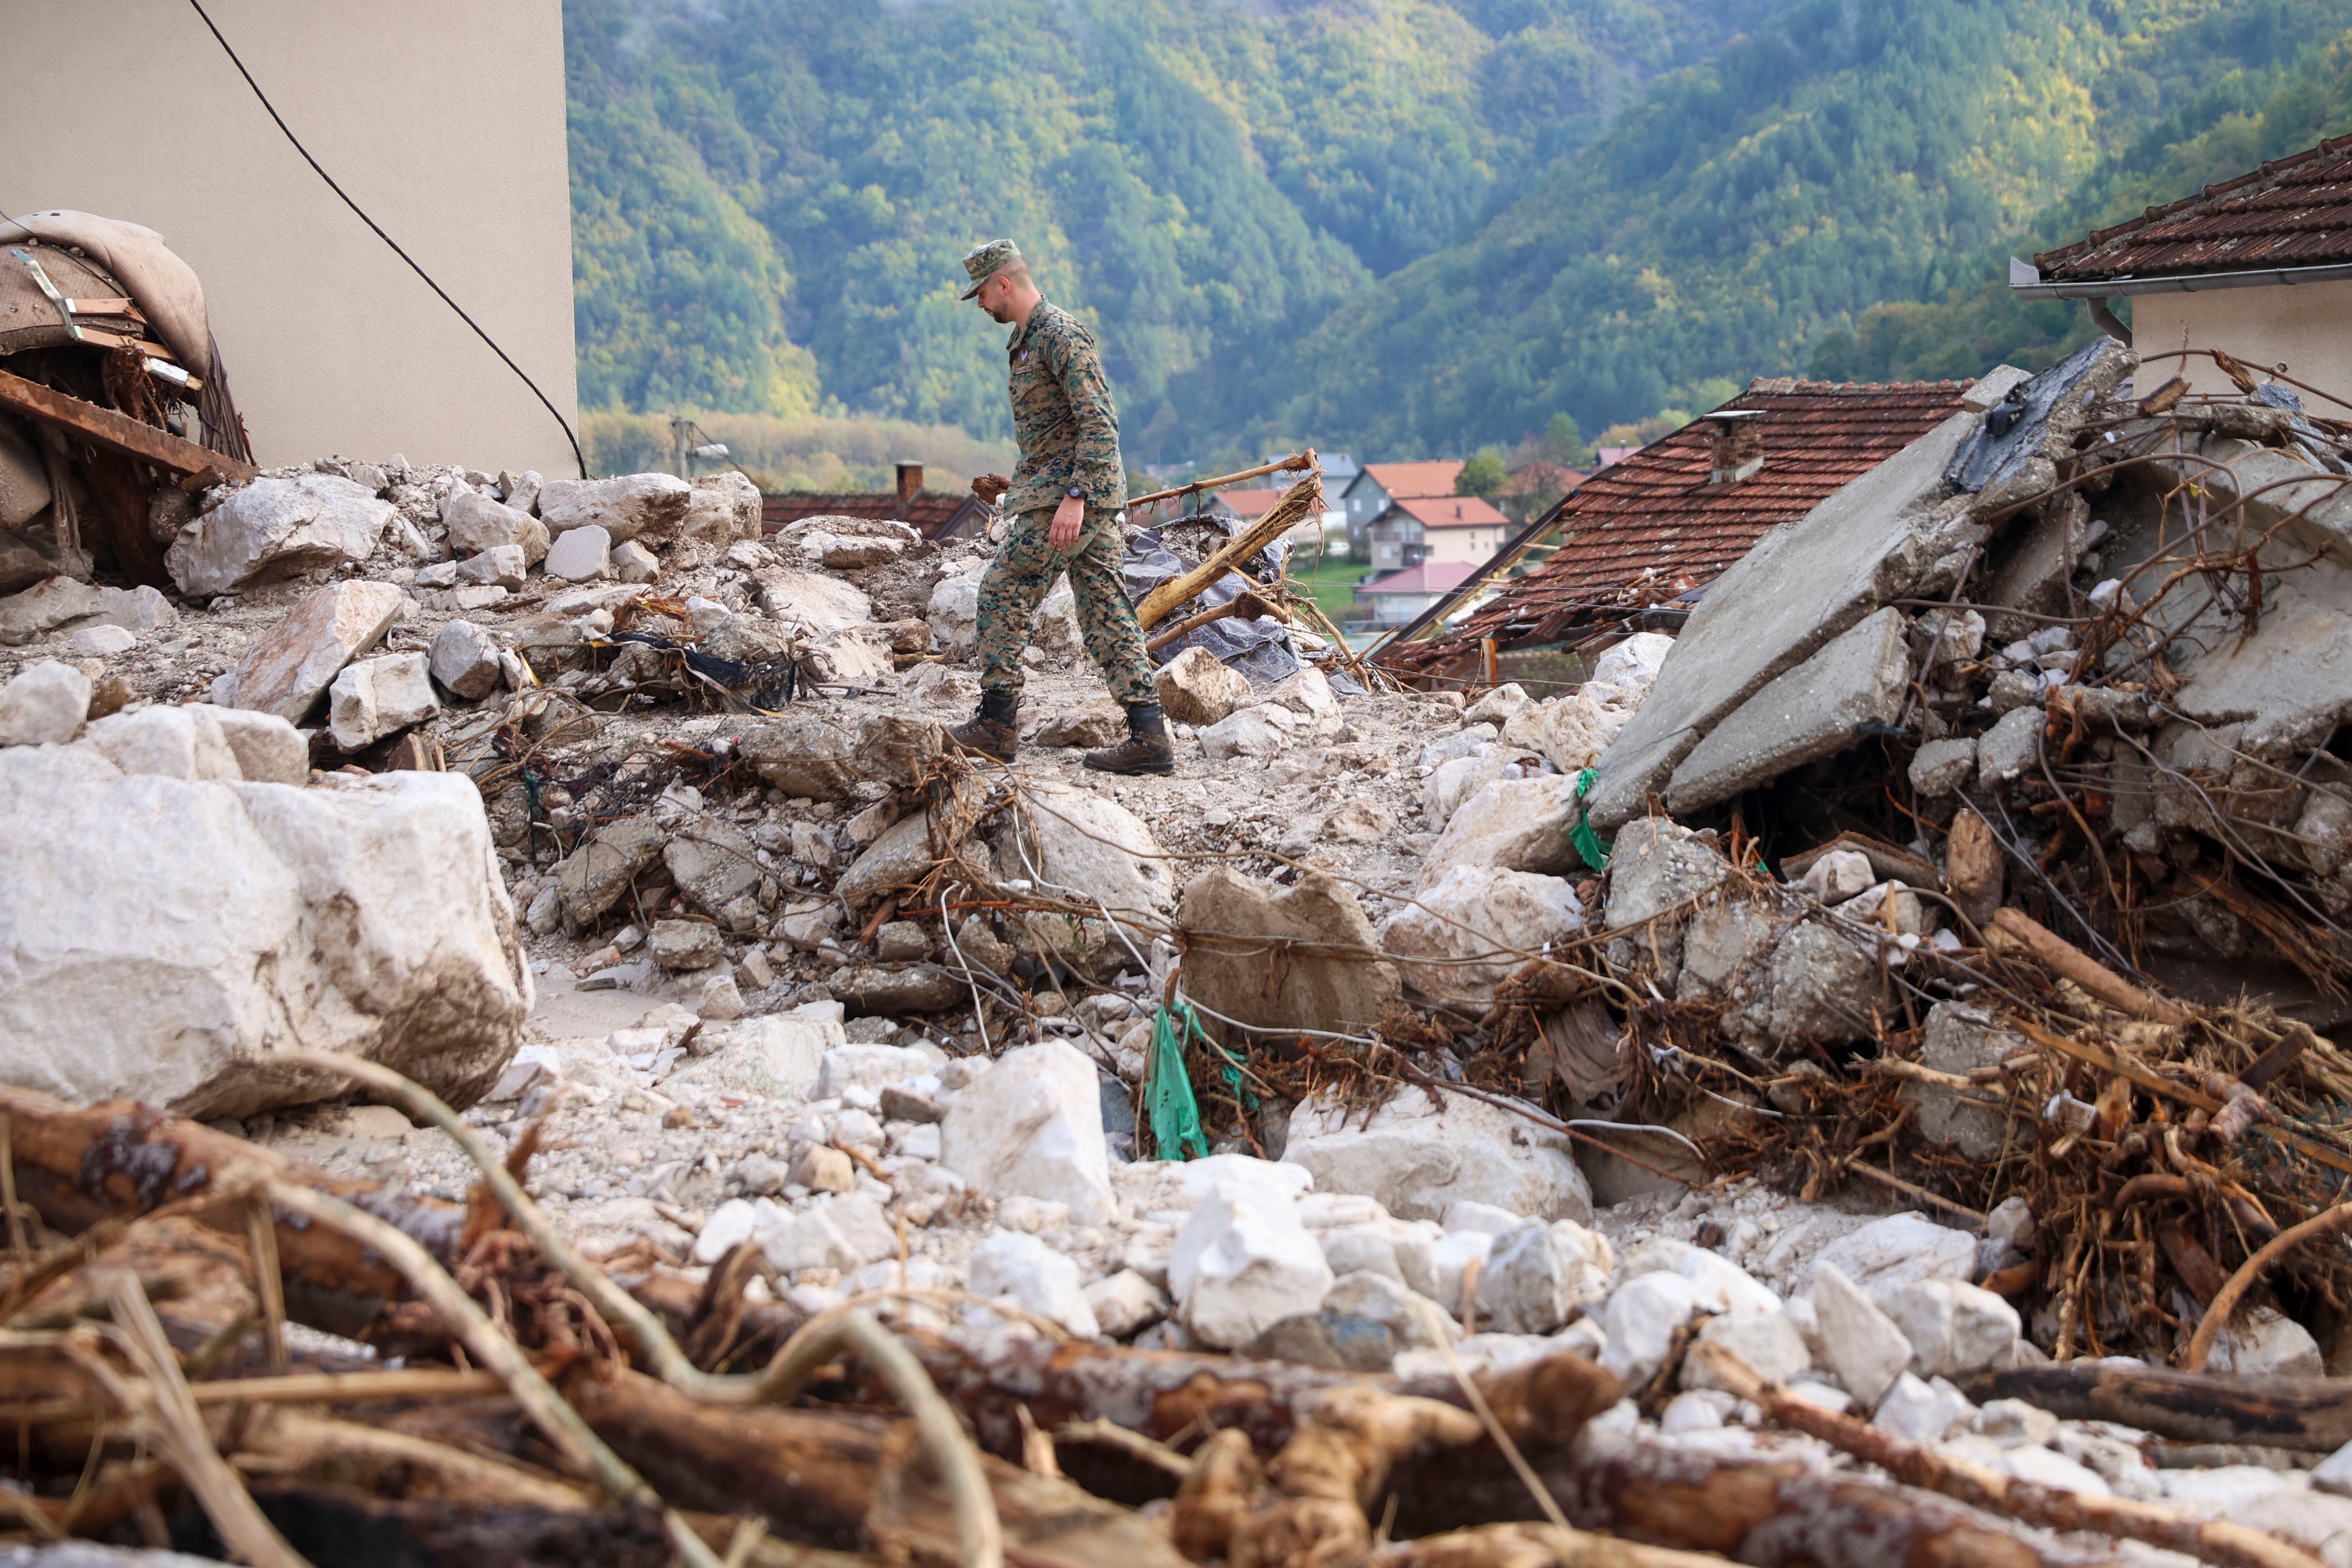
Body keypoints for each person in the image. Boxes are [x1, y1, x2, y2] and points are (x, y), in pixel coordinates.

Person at [945, 240, 1173, 775]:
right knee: (1105, 611)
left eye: (981, 293)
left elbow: (1099, 421)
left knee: (1003, 589)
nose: (980, 306)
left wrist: (1076, 498)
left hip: (1069, 499)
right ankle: (1150, 737)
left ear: (1003, 283)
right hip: (1063, 494)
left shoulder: (1060, 334)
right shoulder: (1027, 340)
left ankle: (996, 725)